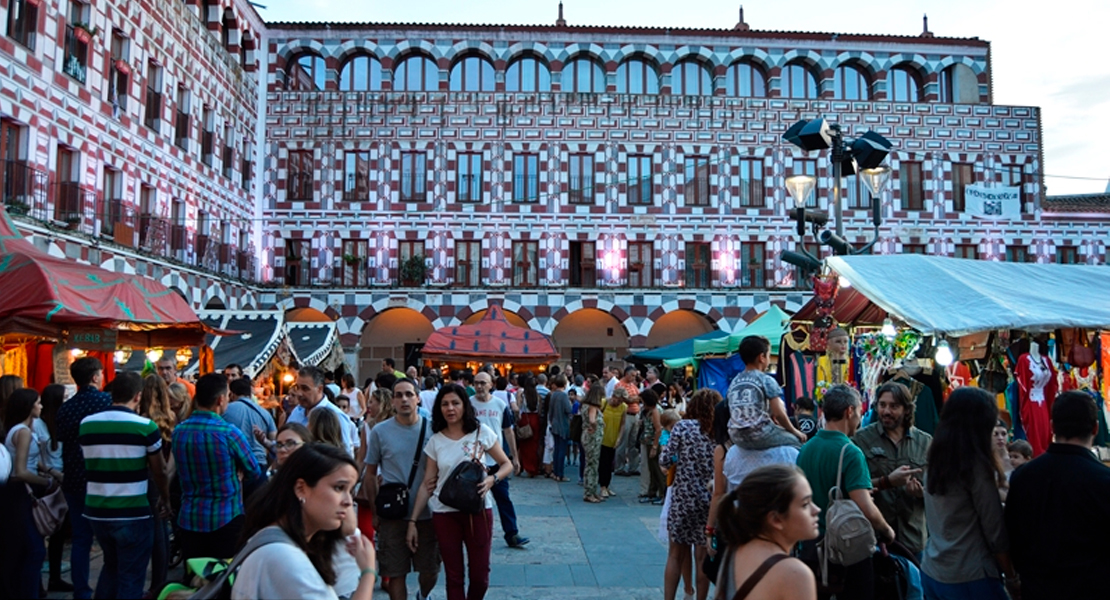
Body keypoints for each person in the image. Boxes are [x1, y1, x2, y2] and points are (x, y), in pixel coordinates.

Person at [407, 383, 515, 600]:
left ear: (464, 405)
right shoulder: (435, 441)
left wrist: (492, 479)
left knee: (480, 576)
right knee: (454, 576)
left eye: (455, 403)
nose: (450, 408)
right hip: (445, 513)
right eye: (445, 404)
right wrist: (413, 521)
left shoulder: (482, 432)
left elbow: (506, 464)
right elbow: (427, 484)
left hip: (479, 511)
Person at [232, 443, 377, 600]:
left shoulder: (278, 541)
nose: (349, 501)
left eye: (350, 490)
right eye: (338, 488)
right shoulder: (285, 558)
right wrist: (368, 573)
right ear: (301, 488)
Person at [1006, 391, 1110, 600]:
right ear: (1095, 428)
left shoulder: (1023, 476)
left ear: (1052, 426)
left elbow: (1012, 536)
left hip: (1038, 589)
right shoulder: (1103, 480)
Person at [78, 371, 172, 599]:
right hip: (132, 511)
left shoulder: (87, 424)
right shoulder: (145, 426)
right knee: (131, 575)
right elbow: (159, 470)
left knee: (111, 567)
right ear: (138, 396)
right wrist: (165, 498)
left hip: (97, 510)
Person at [796, 384, 894, 600]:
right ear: (849, 411)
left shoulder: (806, 449)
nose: (860, 419)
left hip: (811, 547)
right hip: (845, 551)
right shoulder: (850, 452)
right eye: (859, 412)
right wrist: (886, 531)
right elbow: (865, 507)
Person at [921, 387, 1018, 600]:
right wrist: (1011, 577)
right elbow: (995, 531)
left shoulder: (935, 461)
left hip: (933, 569)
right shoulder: (975, 468)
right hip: (970, 575)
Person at [362, 378, 439, 600]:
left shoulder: (433, 429)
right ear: (393, 400)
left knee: (430, 569)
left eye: (408, 394)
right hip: (392, 512)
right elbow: (369, 474)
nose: (404, 399)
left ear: (417, 398)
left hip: (427, 512)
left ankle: (423, 595)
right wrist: (375, 512)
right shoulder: (380, 431)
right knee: (395, 573)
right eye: (399, 395)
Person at [173, 373, 262, 563]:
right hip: (226, 517)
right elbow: (254, 471)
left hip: (190, 517)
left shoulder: (179, 432)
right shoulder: (229, 433)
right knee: (223, 580)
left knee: (194, 579)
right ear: (221, 399)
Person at [714, 465, 820, 600]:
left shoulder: (736, 548)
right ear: (776, 519)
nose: (816, 510)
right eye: (805, 504)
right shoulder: (794, 573)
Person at [56, 356, 113, 600]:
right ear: (94, 377)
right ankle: (107, 589)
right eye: (100, 373)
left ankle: (82, 591)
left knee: (81, 538)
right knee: (109, 539)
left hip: (74, 478)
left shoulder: (65, 408)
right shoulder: (106, 402)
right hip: (102, 478)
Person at [852, 381, 930, 556]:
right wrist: (887, 482)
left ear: (907, 409)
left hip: (913, 539)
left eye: (894, 406)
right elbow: (853, 488)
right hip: (875, 539)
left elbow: (940, 493)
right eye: (882, 405)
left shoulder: (925, 443)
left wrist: (921, 493)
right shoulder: (861, 440)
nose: (886, 411)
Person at [662, 389, 717, 600]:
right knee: (702, 556)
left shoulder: (682, 427)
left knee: (675, 554)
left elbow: (665, 459)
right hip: (710, 500)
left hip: (683, 499)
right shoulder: (719, 430)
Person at [2, 388, 52, 598]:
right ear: (28, 406)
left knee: (26, 547)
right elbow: (21, 470)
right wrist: (46, 481)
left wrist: (50, 471)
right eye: (38, 403)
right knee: (34, 549)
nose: (41, 406)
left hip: (20, 491)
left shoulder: (20, 430)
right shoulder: (22, 432)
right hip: (21, 492)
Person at [469, 371, 529, 548]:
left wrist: (514, 457)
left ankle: (512, 533)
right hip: (474, 463)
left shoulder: (500, 405)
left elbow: (508, 431)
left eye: (483, 383)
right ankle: (474, 535)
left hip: (497, 462)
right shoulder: (468, 405)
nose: (479, 386)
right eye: (476, 383)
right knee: (472, 501)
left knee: (504, 499)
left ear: (491, 384)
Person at [727, 335, 806, 450]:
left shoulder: (735, 382)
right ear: (762, 357)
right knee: (797, 443)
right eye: (768, 355)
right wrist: (794, 431)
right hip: (760, 434)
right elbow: (779, 413)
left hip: (736, 436)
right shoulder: (765, 379)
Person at [138, 375, 177, 596]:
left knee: (153, 529)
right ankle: (159, 580)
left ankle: (154, 585)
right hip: (164, 474)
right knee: (162, 527)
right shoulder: (170, 417)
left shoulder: (142, 419)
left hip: (146, 475)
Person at [38, 383, 73, 593]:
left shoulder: (63, 421)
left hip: (62, 480)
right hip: (46, 482)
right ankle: (41, 582)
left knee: (59, 533)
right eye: (65, 397)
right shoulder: (39, 426)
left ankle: (54, 577)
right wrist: (52, 473)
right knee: (42, 530)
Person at [288, 366, 360, 458]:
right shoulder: (297, 411)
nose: (299, 393)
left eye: (305, 389)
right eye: (297, 387)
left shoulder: (336, 416)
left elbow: (345, 456)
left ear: (319, 389)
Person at [224, 377, 277, 473]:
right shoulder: (265, 413)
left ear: (231, 394)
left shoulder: (226, 410)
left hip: (237, 467)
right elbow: (274, 442)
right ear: (250, 394)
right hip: (260, 464)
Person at [638, 388, 666, 503]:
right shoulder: (652, 410)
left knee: (657, 470)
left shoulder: (655, 411)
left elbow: (658, 429)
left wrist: (655, 446)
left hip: (653, 442)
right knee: (652, 469)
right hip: (648, 441)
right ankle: (652, 492)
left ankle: (662, 493)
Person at [614, 366, 642, 476]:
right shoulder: (620, 385)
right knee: (623, 442)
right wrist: (633, 399)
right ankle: (619, 467)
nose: (634, 378)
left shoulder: (633, 385)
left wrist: (633, 398)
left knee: (634, 442)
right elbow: (627, 399)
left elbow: (638, 398)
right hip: (626, 415)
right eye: (632, 375)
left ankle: (633, 467)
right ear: (626, 374)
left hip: (635, 415)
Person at [599, 388, 627, 499]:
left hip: (613, 438)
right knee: (603, 463)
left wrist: (619, 438)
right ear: (614, 396)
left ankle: (607, 485)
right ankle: (603, 486)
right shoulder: (603, 403)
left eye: (621, 401)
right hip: (602, 437)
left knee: (610, 464)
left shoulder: (623, 407)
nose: (619, 403)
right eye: (618, 400)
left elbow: (623, 424)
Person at [580, 384, 606, 503]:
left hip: (588, 436)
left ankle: (592, 490)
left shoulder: (585, 405)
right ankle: (589, 492)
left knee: (592, 463)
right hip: (593, 438)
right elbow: (592, 420)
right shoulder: (592, 407)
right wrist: (594, 427)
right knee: (592, 464)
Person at [515, 375, 542, 477]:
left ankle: (524, 466)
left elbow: (518, 408)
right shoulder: (537, 395)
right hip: (535, 419)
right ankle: (533, 468)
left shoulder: (522, 394)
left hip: (525, 419)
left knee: (524, 445)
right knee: (534, 445)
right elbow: (539, 409)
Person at [546, 374, 572, 482]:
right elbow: (568, 410)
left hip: (555, 424)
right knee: (562, 450)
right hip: (563, 424)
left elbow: (550, 411)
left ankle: (556, 472)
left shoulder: (553, 395)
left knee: (557, 450)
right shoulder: (564, 396)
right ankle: (560, 474)